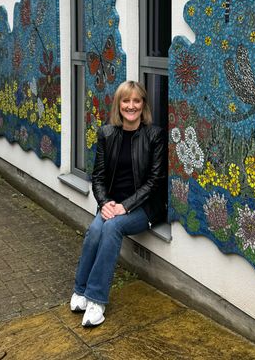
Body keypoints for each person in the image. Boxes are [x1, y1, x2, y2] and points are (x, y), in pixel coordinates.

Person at [70, 80, 167, 327]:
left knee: (111, 227)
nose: (131, 106)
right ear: (119, 104)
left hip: (143, 207)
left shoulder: (154, 135)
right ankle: (80, 291)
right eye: (126, 101)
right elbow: (98, 177)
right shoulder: (107, 134)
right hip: (112, 204)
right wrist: (105, 203)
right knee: (95, 229)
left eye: (136, 101)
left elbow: (155, 181)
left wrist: (125, 206)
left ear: (143, 104)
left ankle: (96, 300)